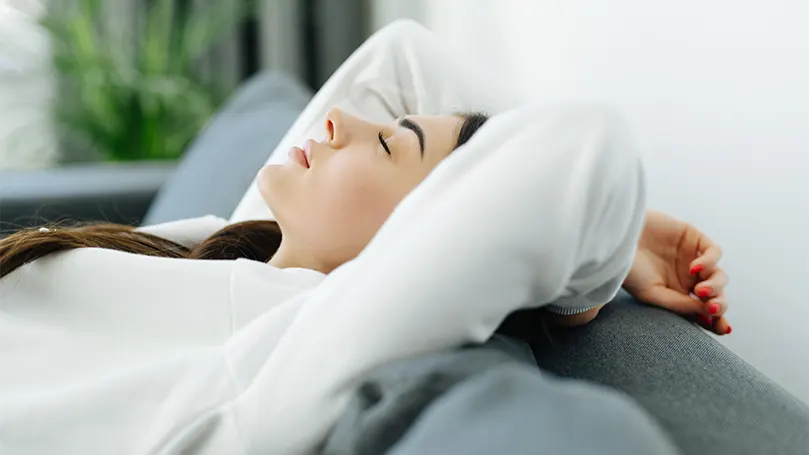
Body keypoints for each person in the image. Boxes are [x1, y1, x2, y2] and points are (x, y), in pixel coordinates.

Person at [0, 20, 730, 454]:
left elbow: (585, 143)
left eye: (386, 145)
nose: (341, 121)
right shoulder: (238, 251)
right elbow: (402, 53)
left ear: (418, 239)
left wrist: (592, 276)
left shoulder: (287, 350)